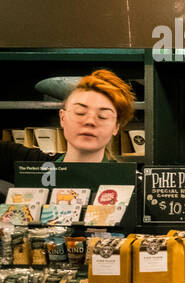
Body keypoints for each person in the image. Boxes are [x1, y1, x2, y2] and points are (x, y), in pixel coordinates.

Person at [1, 69, 135, 194]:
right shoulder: (30, 165)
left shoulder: (131, 182)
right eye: (80, 112)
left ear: (116, 127)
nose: (90, 121)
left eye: (103, 116)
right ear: (62, 117)